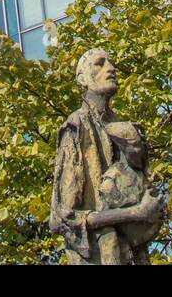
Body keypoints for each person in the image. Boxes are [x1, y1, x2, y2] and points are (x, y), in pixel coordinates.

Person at [49, 49, 164, 264]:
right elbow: (62, 219)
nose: (111, 68)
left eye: (111, 63)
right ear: (82, 78)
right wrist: (137, 213)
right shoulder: (76, 127)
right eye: (99, 64)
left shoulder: (125, 129)